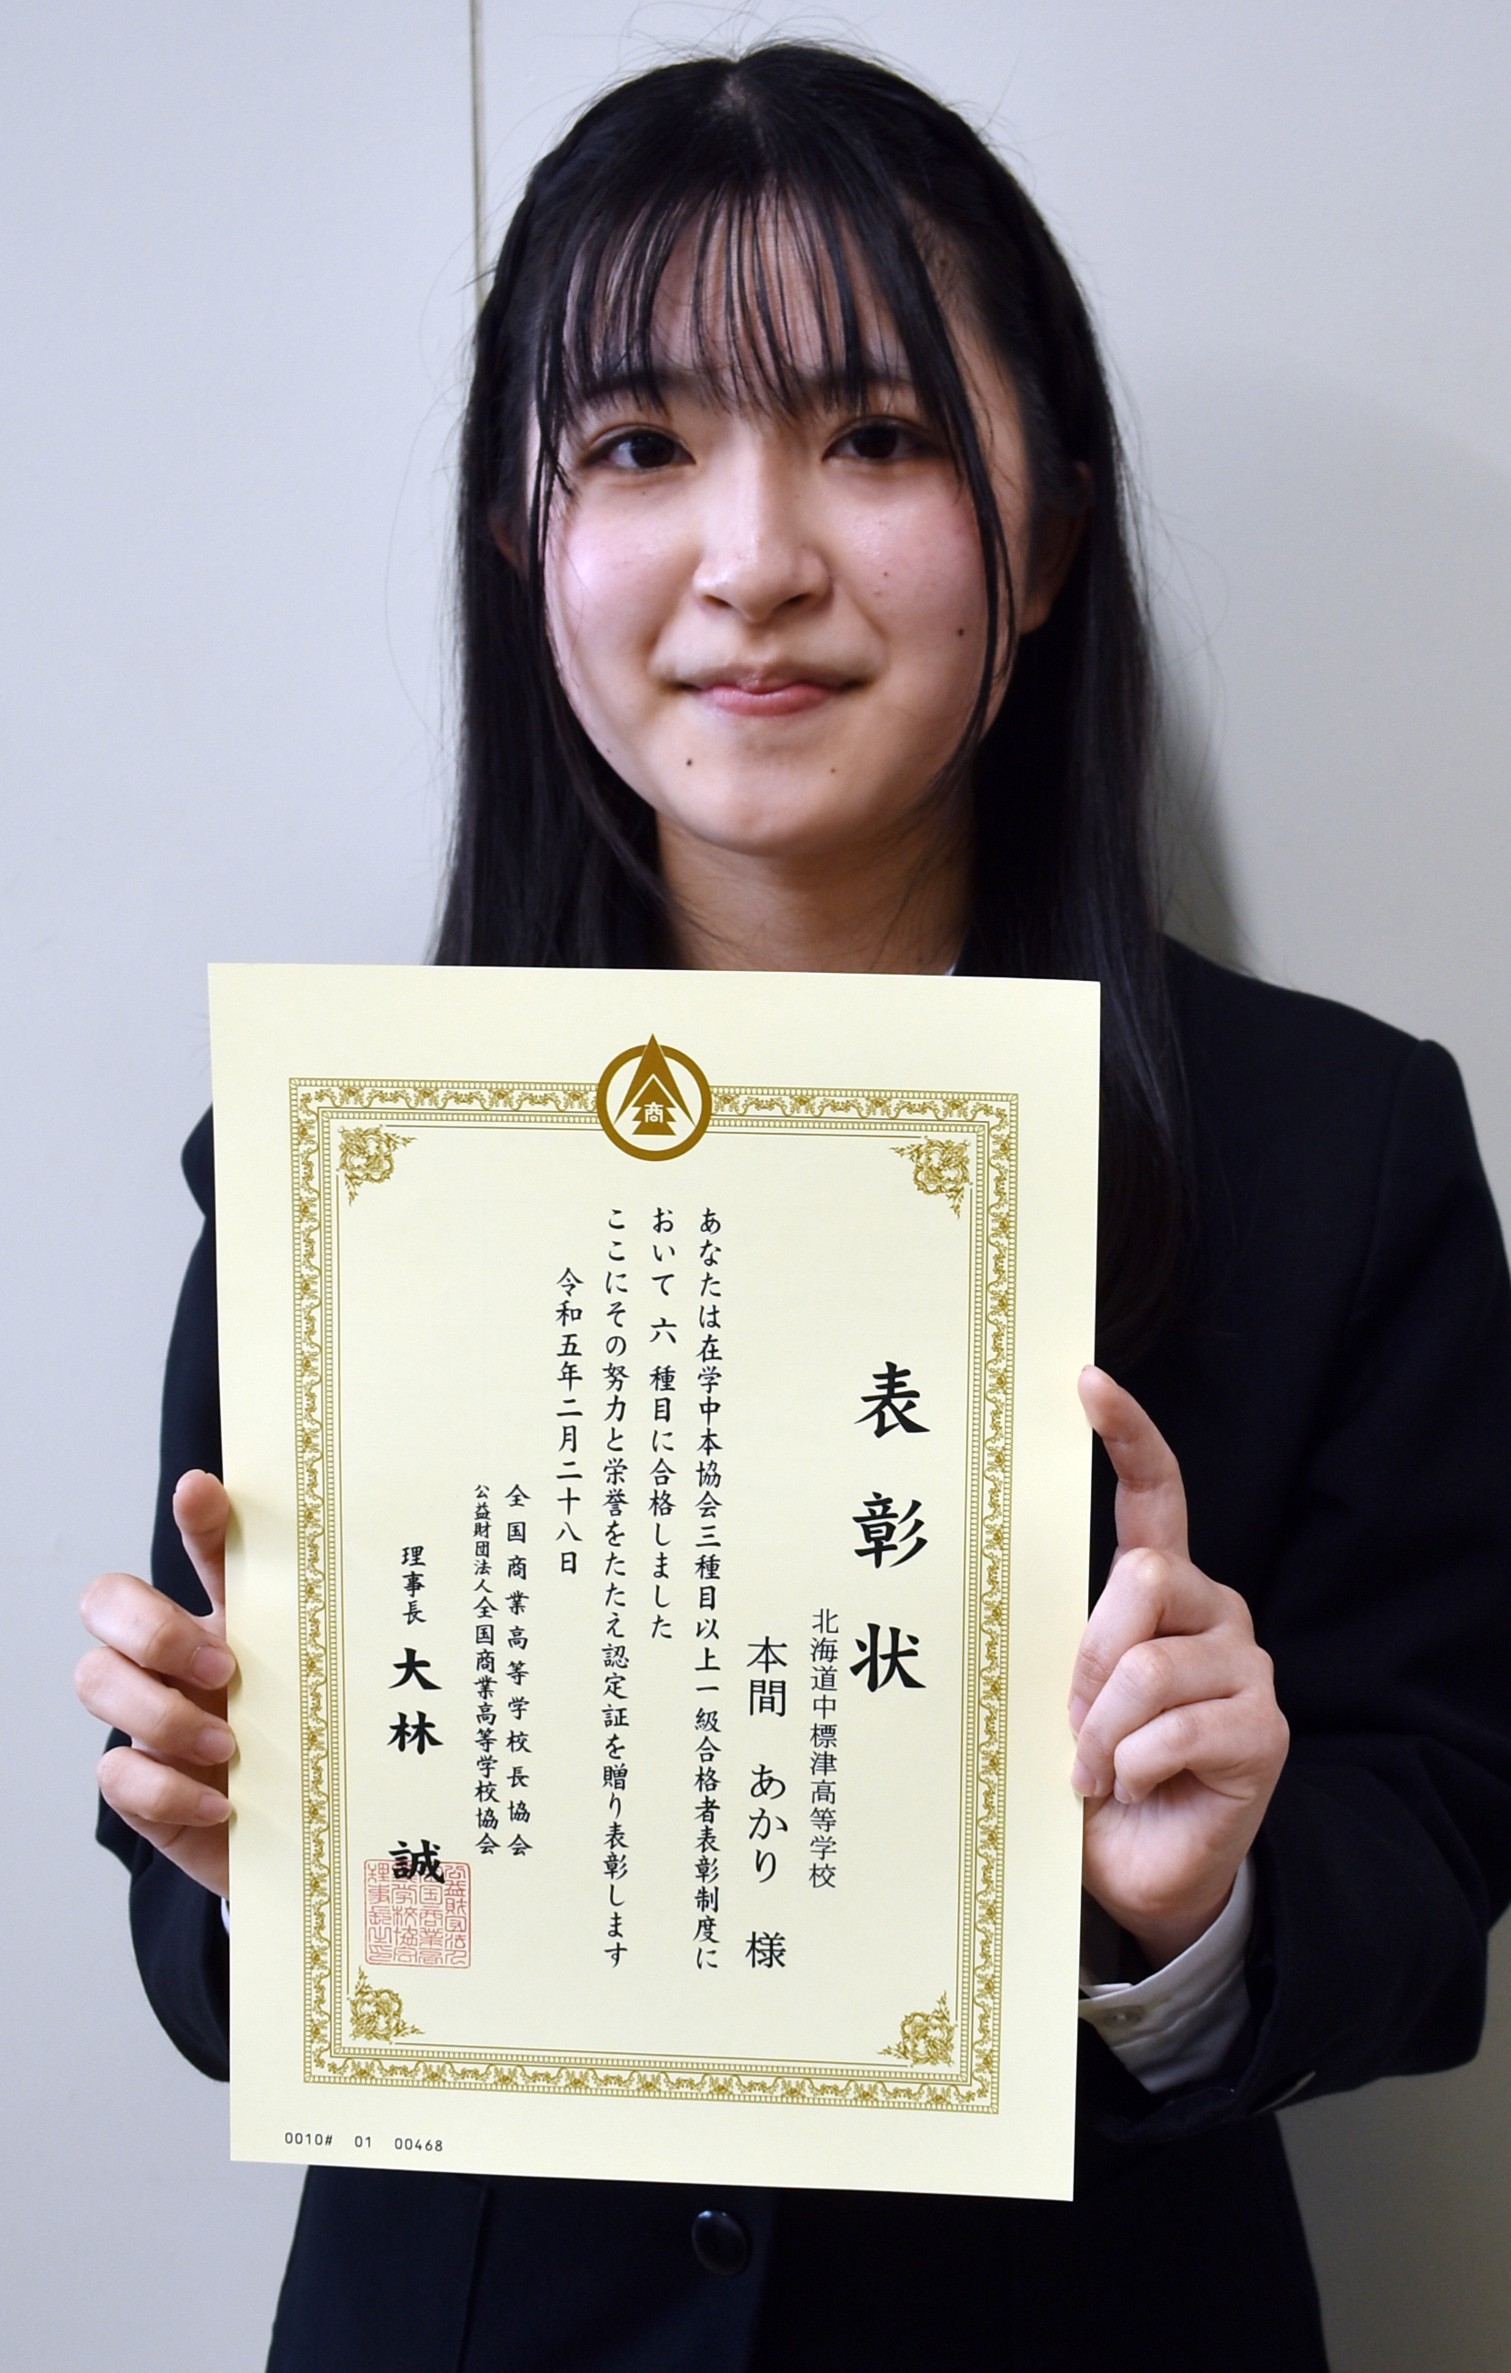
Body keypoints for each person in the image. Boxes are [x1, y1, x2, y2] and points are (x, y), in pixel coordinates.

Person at [75, 42, 1511, 2373]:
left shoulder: (1338, 1150)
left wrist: (1197, 1908)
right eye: (643, 444)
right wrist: (250, 1863)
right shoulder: (353, 1156)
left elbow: (1435, 1855)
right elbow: (217, 1949)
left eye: (878, 433)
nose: (756, 560)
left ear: (1048, 534)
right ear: (528, 535)